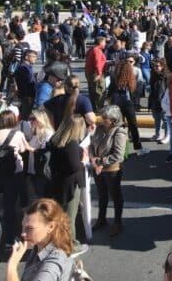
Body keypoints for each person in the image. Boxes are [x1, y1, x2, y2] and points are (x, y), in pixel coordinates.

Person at [0, 111, 34, 249]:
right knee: (9, 206)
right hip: (12, 173)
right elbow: (23, 149)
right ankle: (10, 239)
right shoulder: (17, 135)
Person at [6, 198, 74, 281]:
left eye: (29, 228)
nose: (23, 233)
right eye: (23, 227)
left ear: (50, 227)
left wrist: (12, 266)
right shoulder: (38, 247)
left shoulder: (53, 264)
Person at [47, 114, 87, 247]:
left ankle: (59, 241)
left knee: (60, 214)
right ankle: (71, 244)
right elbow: (75, 166)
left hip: (59, 181)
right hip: (71, 184)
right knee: (70, 215)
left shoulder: (56, 139)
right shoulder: (72, 144)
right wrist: (84, 161)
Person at [90, 105, 128, 237]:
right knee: (101, 194)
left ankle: (117, 222)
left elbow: (118, 155)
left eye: (105, 118)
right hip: (98, 168)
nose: (102, 119)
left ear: (113, 120)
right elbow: (91, 145)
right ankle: (102, 218)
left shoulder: (119, 132)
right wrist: (93, 159)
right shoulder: (100, 128)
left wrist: (100, 162)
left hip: (112, 169)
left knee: (115, 195)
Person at [108, 59, 142, 150]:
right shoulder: (131, 78)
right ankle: (138, 147)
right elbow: (134, 93)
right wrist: (136, 104)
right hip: (128, 104)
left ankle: (120, 148)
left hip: (117, 104)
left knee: (119, 126)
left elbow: (110, 92)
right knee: (133, 125)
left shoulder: (114, 77)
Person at [26, 108, 55, 201]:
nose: (30, 121)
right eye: (30, 118)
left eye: (33, 118)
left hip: (42, 171)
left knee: (42, 198)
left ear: (40, 120)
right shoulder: (35, 132)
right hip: (33, 169)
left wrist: (29, 148)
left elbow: (46, 151)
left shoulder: (48, 133)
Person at [85, 37, 107, 110]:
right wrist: (99, 74)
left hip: (90, 73)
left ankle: (94, 108)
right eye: (104, 42)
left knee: (92, 92)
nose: (105, 44)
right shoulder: (96, 51)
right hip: (95, 73)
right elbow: (97, 63)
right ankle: (99, 108)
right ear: (100, 43)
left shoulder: (92, 49)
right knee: (99, 91)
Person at [14, 50, 38, 119]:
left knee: (25, 113)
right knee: (25, 115)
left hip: (27, 96)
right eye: (33, 56)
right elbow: (25, 83)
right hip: (27, 97)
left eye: (36, 57)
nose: (35, 58)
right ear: (27, 57)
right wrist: (28, 96)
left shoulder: (27, 67)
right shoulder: (24, 68)